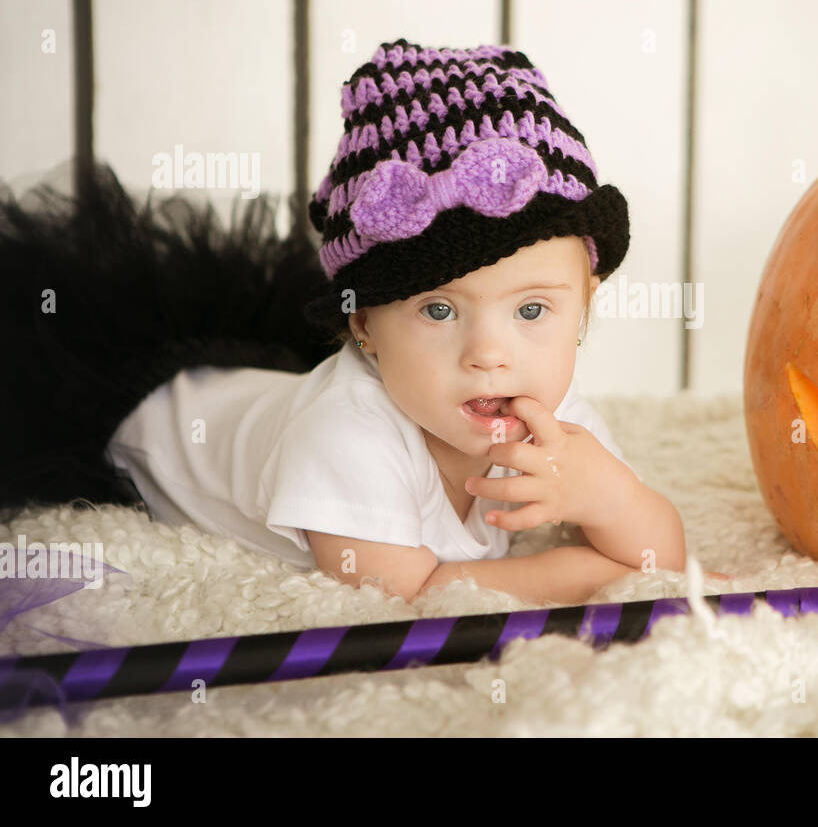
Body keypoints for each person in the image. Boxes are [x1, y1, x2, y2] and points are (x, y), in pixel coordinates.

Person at [0, 40, 686, 606]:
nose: (489, 354)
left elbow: (662, 552)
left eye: (532, 310)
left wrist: (611, 496)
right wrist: (596, 575)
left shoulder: (556, 419)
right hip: (142, 408)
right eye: (438, 310)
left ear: (584, 306)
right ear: (363, 328)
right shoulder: (345, 432)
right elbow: (410, 593)